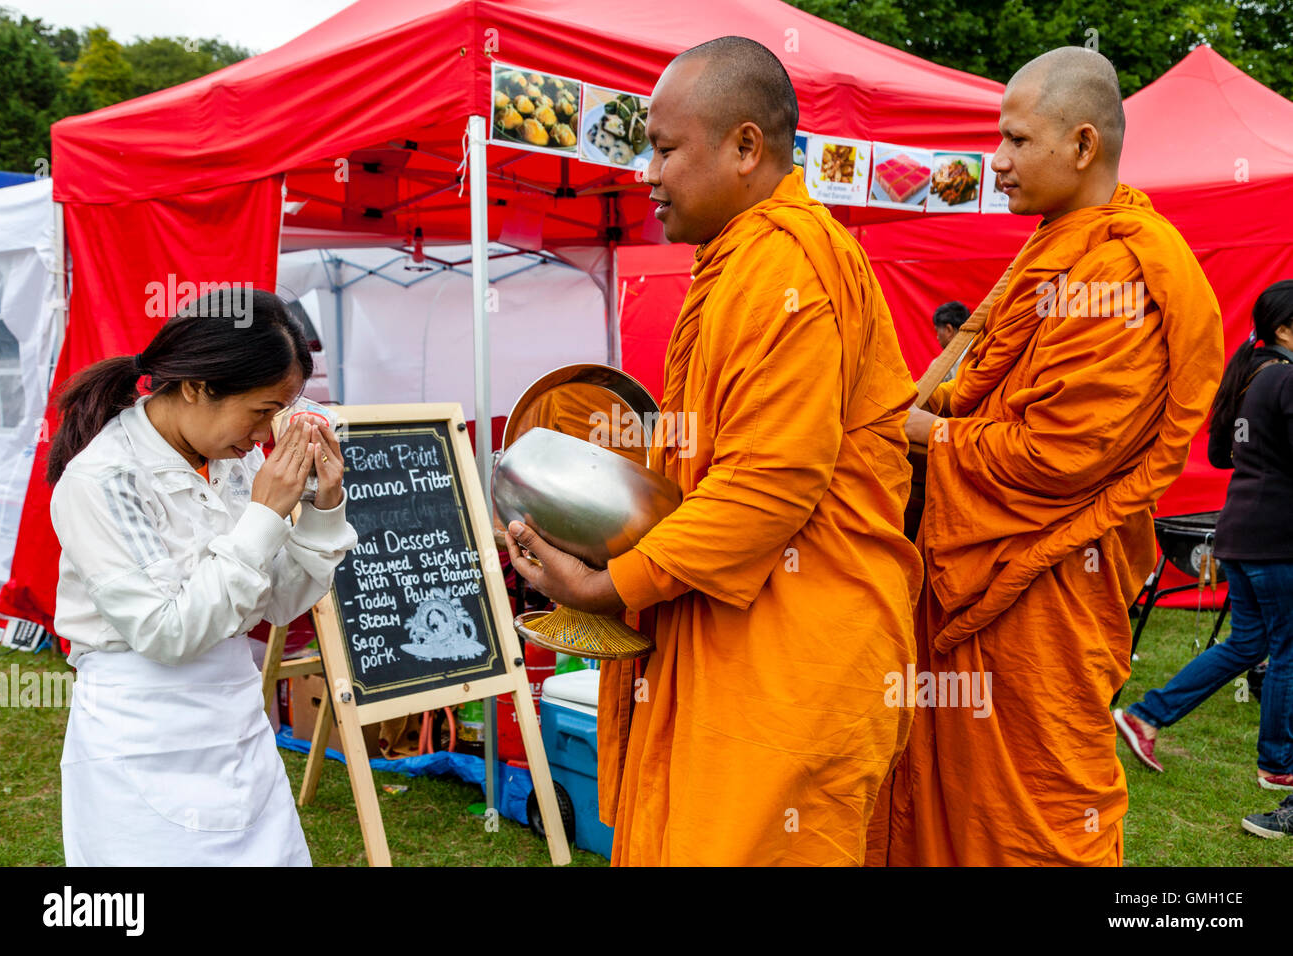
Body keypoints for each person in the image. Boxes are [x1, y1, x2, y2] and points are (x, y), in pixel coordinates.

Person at [504, 36, 921, 865]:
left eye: (663, 150)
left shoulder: (784, 267)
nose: (646, 175)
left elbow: (771, 487)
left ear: (744, 147)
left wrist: (611, 581)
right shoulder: (740, 263)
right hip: (732, 628)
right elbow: (714, 465)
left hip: (791, 651)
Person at [868, 47, 1224, 866]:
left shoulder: (1124, 269)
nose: (996, 161)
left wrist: (931, 436)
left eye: (1017, 140)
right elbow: (975, 377)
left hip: (1048, 581)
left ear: (1083, 146)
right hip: (979, 569)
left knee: (1039, 806)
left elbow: (1062, 456)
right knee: (950, 788)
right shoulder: (1056, 247)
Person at [50, 289, 357, 866]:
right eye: (262, 410)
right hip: (142, 728)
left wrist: (321, 506)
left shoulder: (231, 461)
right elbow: (166, 632)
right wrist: (265, 517)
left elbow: (280, 601)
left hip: (235, 712)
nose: (267, 434)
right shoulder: (105, 479)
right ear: (198, 387)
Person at [1115, 280, 1293, 818]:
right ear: (1285, 329)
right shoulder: (1285, 377)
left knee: (1248, 644)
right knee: (1286, 648)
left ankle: (1146, 716)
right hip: (1275, 536)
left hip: (1239, 530)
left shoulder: (1248, 375)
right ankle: (1278, 762)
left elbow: (1219, 454)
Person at [931, 300, 970, 381]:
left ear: (949, 330)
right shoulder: (983, 348)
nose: (937, 337)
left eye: (937, 331)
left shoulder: (940, 365)